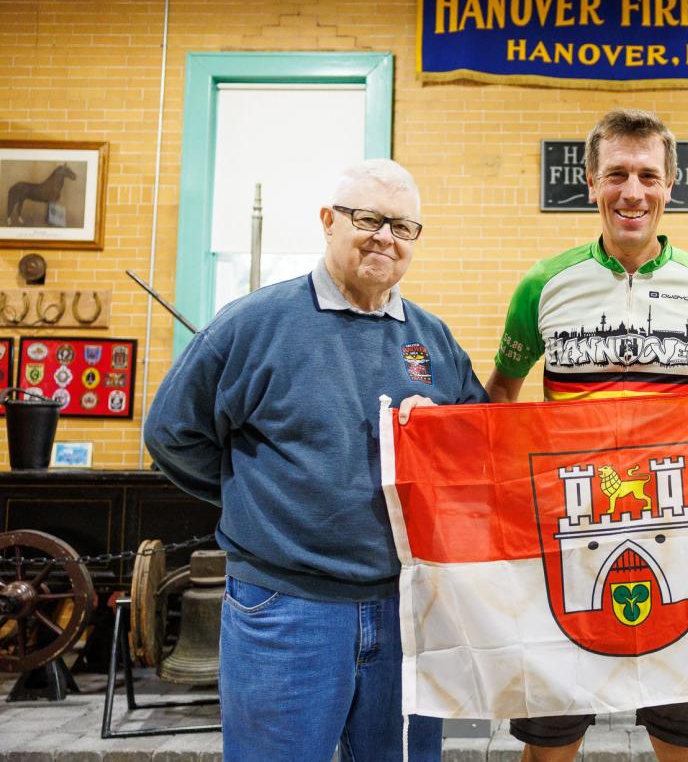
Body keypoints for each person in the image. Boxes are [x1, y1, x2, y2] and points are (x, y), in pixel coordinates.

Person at [144, 160, 487, 762]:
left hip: (407, 613)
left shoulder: (433, 341)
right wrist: (253, 494)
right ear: (329, 222)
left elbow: (476, 451)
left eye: (403, 227)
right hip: (286, 609)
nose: (385, 236)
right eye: (368, 219)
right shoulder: (253, 324)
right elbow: (172, 433)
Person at [486, 108, 688, 761]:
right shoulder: (542, 284)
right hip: (566, 537)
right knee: (552, 738)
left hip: (680, 533)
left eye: (648, 176)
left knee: (682, 734)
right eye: (617, 175)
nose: (633, 191)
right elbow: (499, 397)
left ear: (670, 185)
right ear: (590, 182)